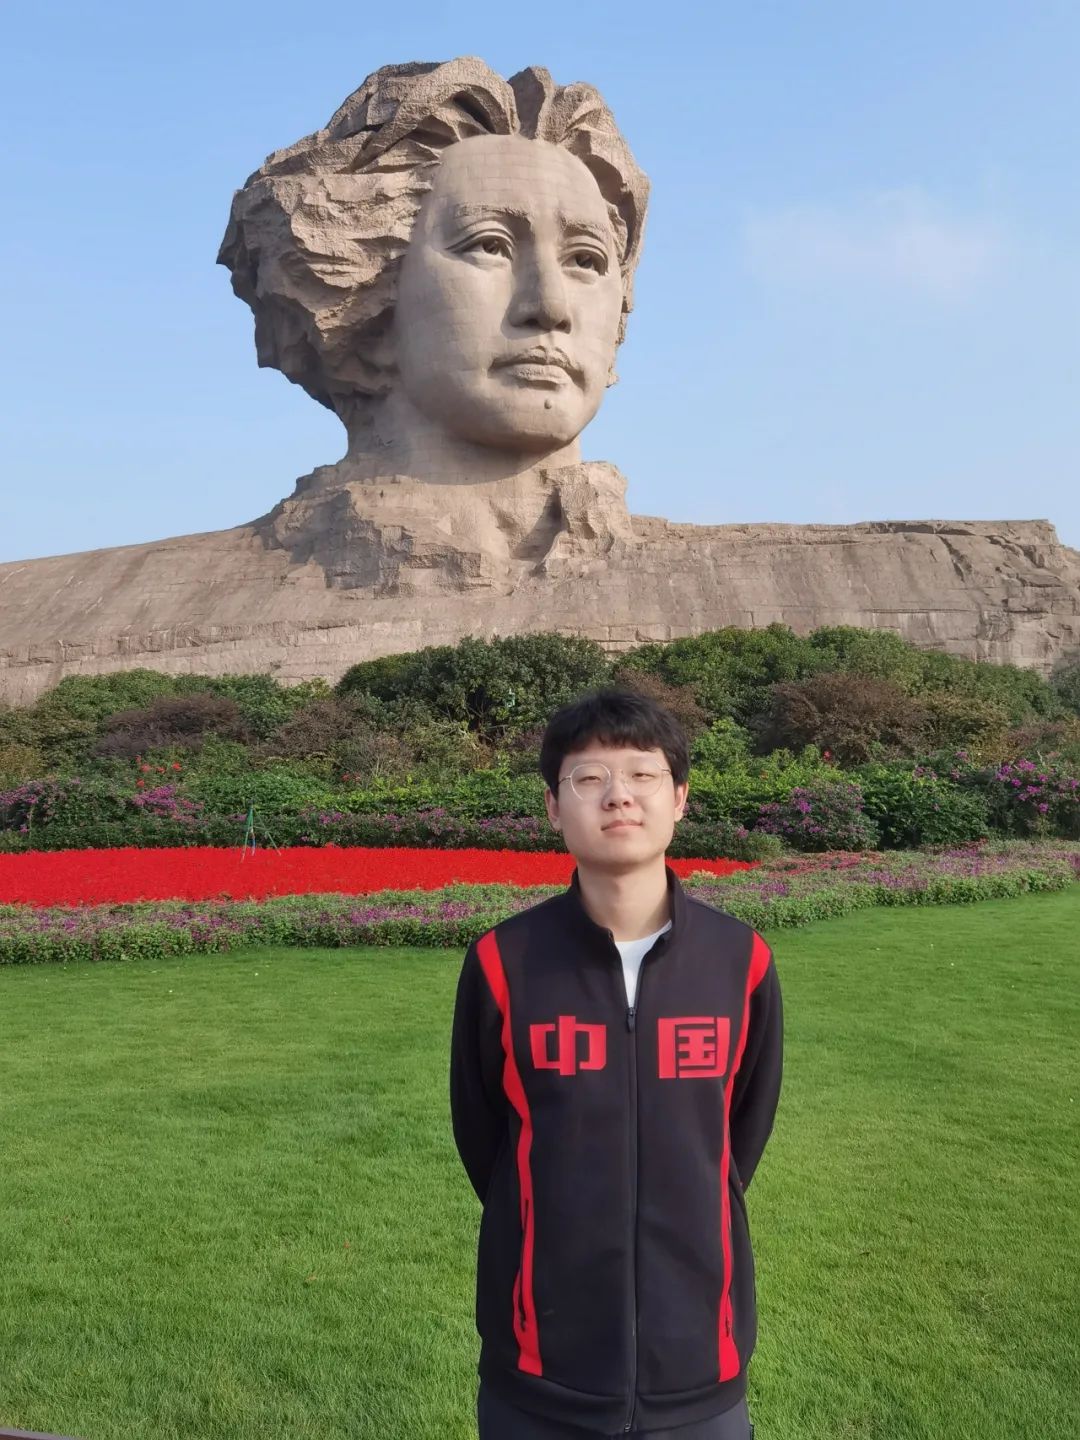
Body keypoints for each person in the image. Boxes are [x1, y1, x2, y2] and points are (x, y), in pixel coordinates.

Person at [450, 688, 784, 1438]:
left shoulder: (740, 961)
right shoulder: (504, 962)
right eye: (589, 777)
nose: (618, 796)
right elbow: (485, 1140)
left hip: (698, 1371)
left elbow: (737, 1140)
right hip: (539, 1373)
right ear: (553, 806)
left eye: (642, 774)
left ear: (680, 798)